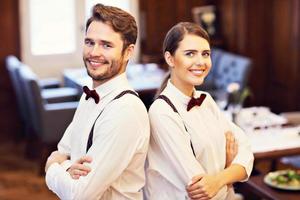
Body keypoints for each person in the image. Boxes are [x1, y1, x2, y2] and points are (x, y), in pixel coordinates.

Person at [44, 4, 150, 200]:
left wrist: (51, 167)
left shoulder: (126, 111)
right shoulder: (89, 95)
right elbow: (63, 151)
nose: (94, 52)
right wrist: (66, 167)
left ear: (128, 52)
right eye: (89, 42)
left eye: (106, 45)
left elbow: (78, 194)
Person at [145, 22, 254, 200]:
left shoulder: (206, 100)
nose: (201, 62)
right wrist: (229, 171)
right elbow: (201, 190)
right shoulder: (161, 113)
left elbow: (246, 150)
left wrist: (219, 179)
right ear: (170, 58)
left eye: (205, 54)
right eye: (190, 54)